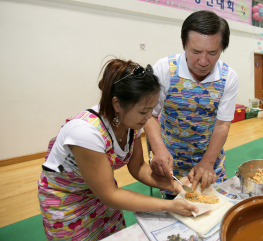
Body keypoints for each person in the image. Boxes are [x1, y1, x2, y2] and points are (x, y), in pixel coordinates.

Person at [37, 59, 198, 240]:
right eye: (144, 111)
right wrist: (168, 205)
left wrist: (176, 185)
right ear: (117, 104)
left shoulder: (131, 123)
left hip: (102, 192)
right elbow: (110, 195)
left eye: (152, 110)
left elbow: (137, 167)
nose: (148, 118)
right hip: (68, 201)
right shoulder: (85, 133)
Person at [143, 10, 239, 197]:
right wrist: (159, 149)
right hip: (170, 161)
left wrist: (208, 163)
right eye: (195, 52)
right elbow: (149, 115)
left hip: (210, 159)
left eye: (212, 53)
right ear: (183, 44)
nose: (203, 61)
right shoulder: (164, 69)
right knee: (176, 212)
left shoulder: (229, 78)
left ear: (222, 49)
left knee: (213, 212)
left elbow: (222, 124)